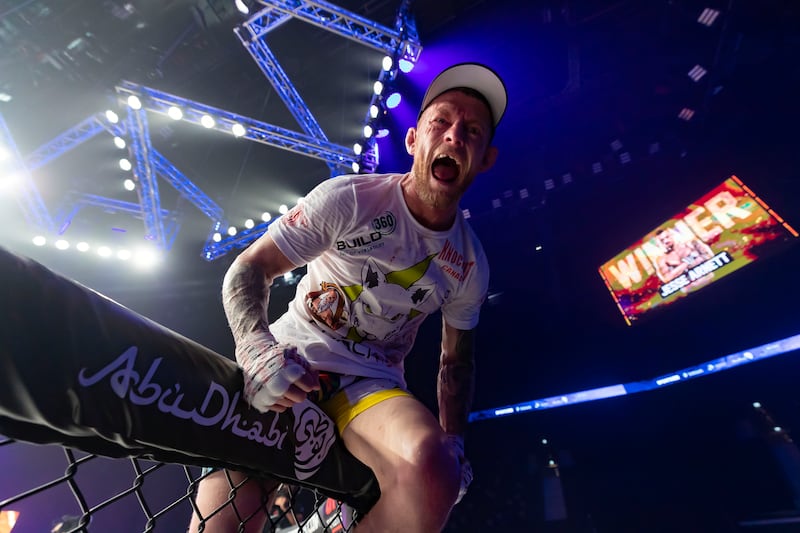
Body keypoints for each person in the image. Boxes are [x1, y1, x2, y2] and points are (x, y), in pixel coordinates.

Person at [190, 62, 506, 533]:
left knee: (434, 468)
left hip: (371, 385)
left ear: (485, 159)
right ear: (414, 140)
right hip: (294, 357)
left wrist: (455, 440)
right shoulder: (350, 199)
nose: (454, 136)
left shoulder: (470, 262)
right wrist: (255, 345)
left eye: (472, 130)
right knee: (233, 500)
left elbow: (455, 363)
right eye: (441, 122)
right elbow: (250, 268)